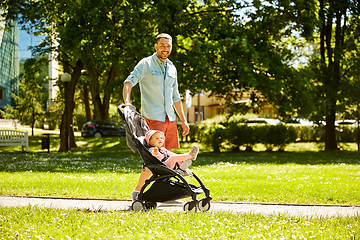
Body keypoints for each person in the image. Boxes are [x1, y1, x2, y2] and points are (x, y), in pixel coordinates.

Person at [122, 33, 191, 201]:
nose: (165, 49)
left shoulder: (172, 68)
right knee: (154, 158)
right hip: (153, 119)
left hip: (170, 119)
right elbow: (128, 82)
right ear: (156, 46)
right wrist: (127, 101)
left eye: (168, 46)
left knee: (166, 159)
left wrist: (183, 119)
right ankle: (138, 192)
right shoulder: (146, 64)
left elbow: (176, 97)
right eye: (162, 46)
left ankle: (166, 192)